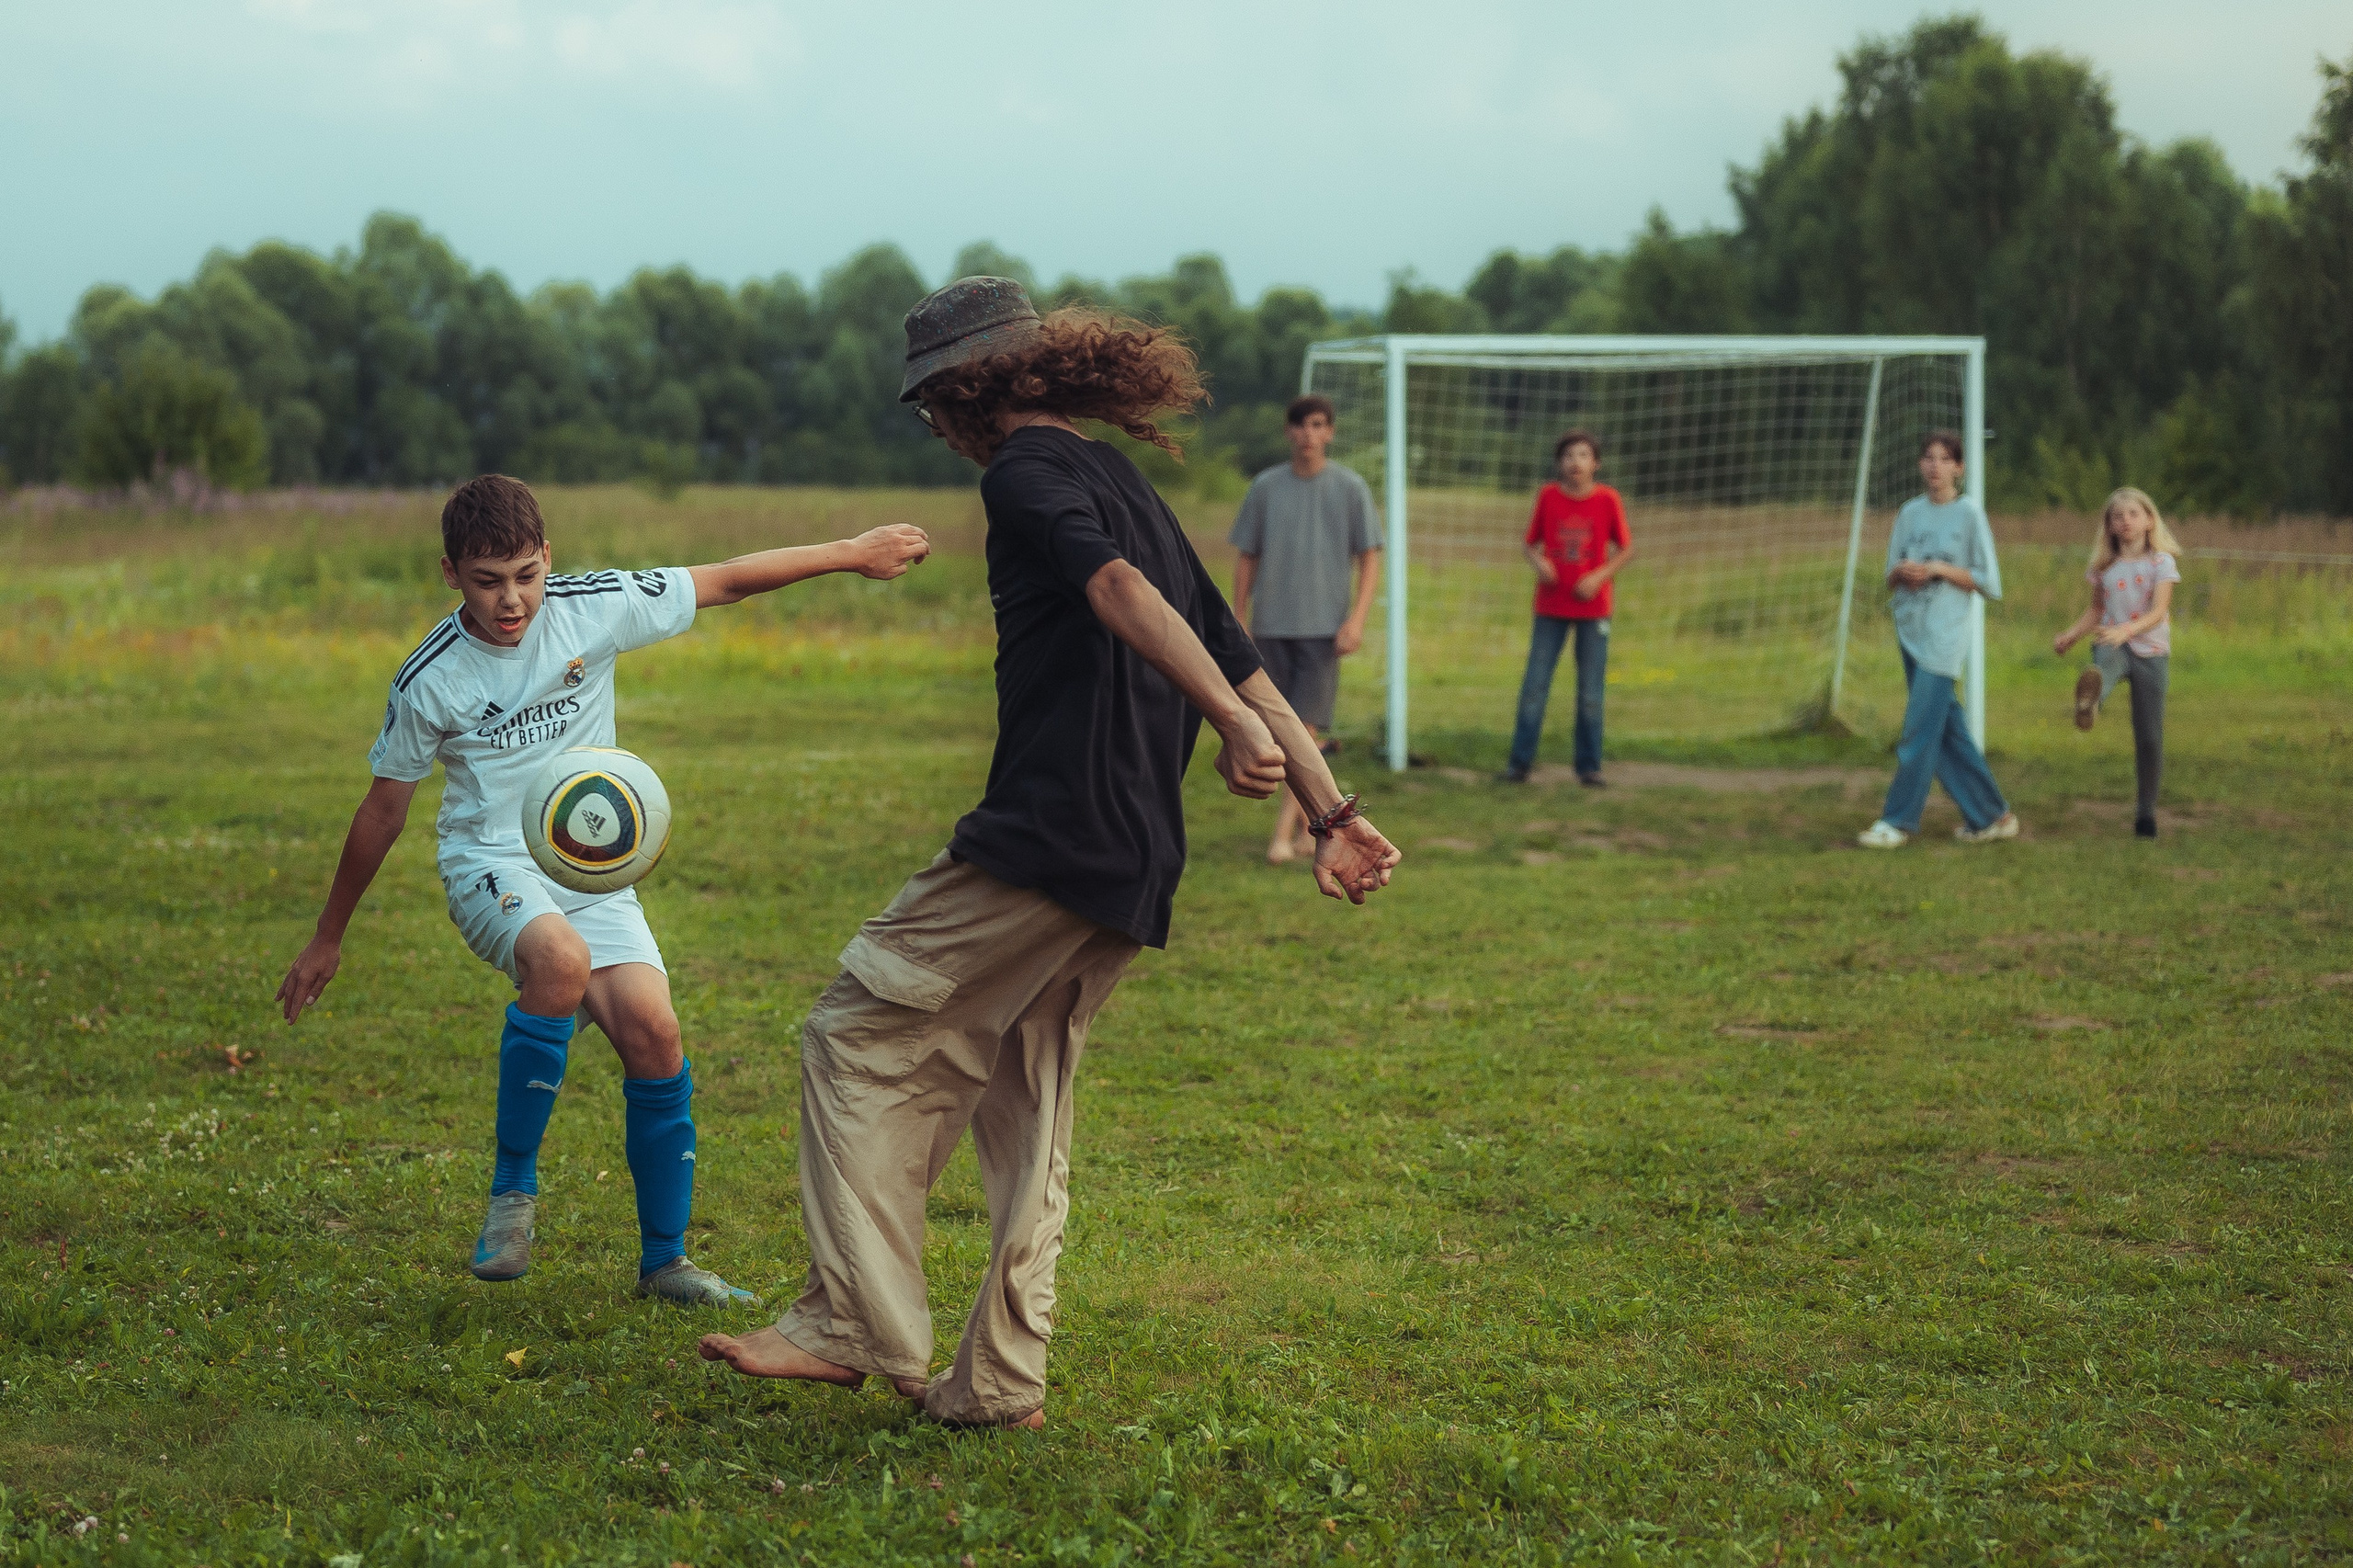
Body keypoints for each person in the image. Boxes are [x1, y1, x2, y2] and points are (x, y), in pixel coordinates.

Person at [697, 278, 1402, 1428]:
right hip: (1131, 858)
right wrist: (1328, 807)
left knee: (855, 1030)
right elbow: (1246, 652)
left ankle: (846, 1319)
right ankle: (999, 1382)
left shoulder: (1022, 474)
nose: (935, 423)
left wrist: (1228, 725)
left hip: (1043, 836)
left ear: (963, 393)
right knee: (1029, 1098)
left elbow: (1126, 596)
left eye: (931, 403)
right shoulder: (1123, 476)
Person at [273, 475, 931, 1302]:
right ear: (450, 574)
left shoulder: (595, 604)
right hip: (491, 863)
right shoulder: (430, 679)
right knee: (559, 962)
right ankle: (512, 1196)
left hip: (587, 866)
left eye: (524, 574)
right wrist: (329, 934)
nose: (510, 599)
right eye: (486, 581)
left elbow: (725, 577)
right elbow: (382, 810)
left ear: (548, 558)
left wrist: (851, 554)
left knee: (656, 1034)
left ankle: (666, 1263)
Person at [1228, 393, 1383, 863]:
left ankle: (1283, 836)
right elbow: (1246, 555)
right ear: (1288, 433)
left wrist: (1357, 619)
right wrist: (1238, 617)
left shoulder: (1351, 488)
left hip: (1324, 630)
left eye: (1318, 426)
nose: (1308, 435)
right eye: (1300, 426)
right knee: (1280, 735)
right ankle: (1308, 831)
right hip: (1271, 626)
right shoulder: (1265, 487)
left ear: (1330, 432)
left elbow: (1370, 556)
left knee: (1306, 732)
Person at [1857, 432, 2020, 848]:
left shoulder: (1969, 515)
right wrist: (1905, 572)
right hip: (1911, 632)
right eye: (1928, 458)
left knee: (1917, 733)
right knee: (1948, 732)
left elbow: (1989, 582)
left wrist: (1939, 570)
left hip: (1944, 640)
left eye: (1945, 459)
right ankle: (1992, 816)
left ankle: (1897, 821)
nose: (1935, 466)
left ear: (1959, 468)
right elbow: (1889, 574)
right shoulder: (1909, 514)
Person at [1498, 429, 1631, 785]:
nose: (1576, 462)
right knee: (1535, 686)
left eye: (1584, 455)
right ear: (1559, 462)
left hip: (1593, 608)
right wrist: (1540, 562)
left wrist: (1599, 577)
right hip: (1551, 606)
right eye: (1569, 455)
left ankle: (1589, 767)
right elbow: (1530, 544)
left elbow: (1626, 549)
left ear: (1596, 464)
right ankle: (1519, 765)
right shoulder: (1548, 497)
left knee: (1590, 691)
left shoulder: (1608, 500)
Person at [2053, 485, 2180, 838]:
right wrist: (2071, 635)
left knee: (2150, 737)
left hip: (2151, 651)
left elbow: (2158, 612)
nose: (2125, 521)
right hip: (2112, 641)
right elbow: (2096, 609)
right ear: (2108, 526)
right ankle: (2092, 701)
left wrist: (2129, 629)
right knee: (2102, 667)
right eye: (2117, 516)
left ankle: (2146, 813)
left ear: (2150, 520)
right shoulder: (2104, 566)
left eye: (2133, 514)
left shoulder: (2162, 562)